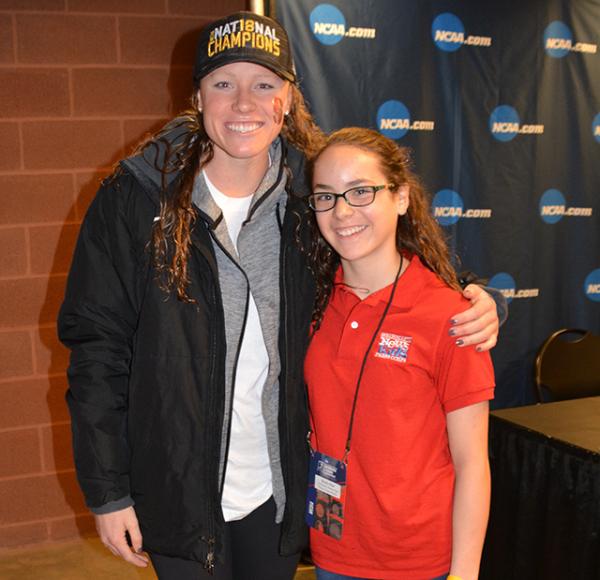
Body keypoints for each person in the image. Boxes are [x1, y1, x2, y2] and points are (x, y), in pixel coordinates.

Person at [58, 11, 500, 580]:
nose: (243, 103)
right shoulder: (136, 198)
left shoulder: (309, 197)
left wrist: (484, 300)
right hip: (177, 492)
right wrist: (108, 490)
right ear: (197, 96)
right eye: (224, 83)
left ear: (287, 99)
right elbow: (96, 349)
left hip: (281, 495)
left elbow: (397, 263)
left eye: (263, 84)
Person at [302, 128, 495, 580]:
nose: (342, 211)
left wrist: (465, 573)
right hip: (332, 549)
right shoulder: (310, 301)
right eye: (326, 196)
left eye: (361, 191)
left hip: (418, 561)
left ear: (402, 198)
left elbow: (472, 464)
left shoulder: (449, 315)